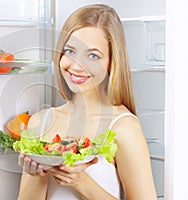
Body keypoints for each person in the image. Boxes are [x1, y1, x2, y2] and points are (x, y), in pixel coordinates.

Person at [17, 4, 157, 200]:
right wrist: (37, 174)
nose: (76, 66)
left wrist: (80, 182)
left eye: (93, 55)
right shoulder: (40, 121)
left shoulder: (124, 126)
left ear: (112, 61)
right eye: (70, 51)